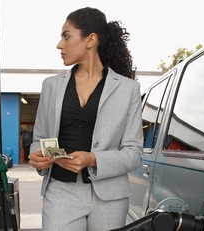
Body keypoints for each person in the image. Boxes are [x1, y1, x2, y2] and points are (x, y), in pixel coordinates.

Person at [28, 7, 143, 231]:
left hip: (109, 197)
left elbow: (134, 153)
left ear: (90, 39)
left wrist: (92, 159)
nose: (59, 44)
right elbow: (39, 138)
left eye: (66, 36)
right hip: (60, 192)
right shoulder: (51, 86)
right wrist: (37, 157)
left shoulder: (128, 89)